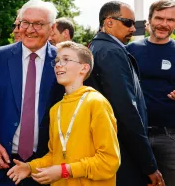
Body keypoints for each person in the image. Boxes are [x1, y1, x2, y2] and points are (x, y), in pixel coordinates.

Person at [0, 0, 64, 185]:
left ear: (52, 27)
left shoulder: (62, 61)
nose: (30, 29)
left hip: (43, 168)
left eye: (38, 24)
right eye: (25, 22)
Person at [7, 41, 120, 185]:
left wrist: (64, 170)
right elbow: (55, 156)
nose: (59, 65)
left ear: (84, 68)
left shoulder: (96, 103)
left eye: (66, 60)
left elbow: (109, 161)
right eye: (57, 61)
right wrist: (31, 167)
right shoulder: (56, 109)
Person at [86, 1, 165, 186]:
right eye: (128, 23)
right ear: (109, 22)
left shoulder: (97, 47)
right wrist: (149, 164)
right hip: (122, 153)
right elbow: (126, 111)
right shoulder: (111, 51)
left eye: (135, 24)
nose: (133, 29)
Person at [126, 0, 175, 185]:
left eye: (170, 20)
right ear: (149, 20)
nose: (164, 24)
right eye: (159, 18)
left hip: (170, 137)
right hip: (135, 135)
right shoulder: (130, 50)